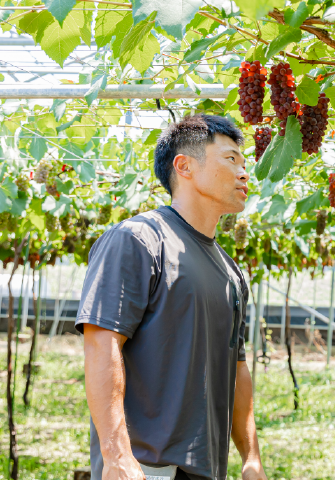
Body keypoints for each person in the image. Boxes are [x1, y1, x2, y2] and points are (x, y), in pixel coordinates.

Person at [75, 115, 267, 480]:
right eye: (231, 159)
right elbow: (101, 344)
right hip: (146, 467)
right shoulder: (138, 239)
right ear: (185, 166)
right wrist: (116, 456)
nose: (244, 173)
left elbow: (237, 366)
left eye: (244, 163)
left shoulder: (230, 270)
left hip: (207, 469)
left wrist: (250, 457)